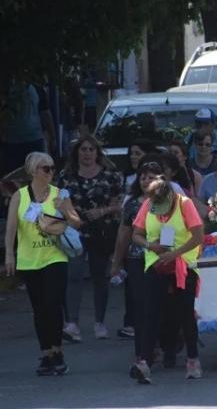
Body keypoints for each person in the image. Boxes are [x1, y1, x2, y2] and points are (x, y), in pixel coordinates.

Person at [4, 152, 81, 375]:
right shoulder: (20, 196)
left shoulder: (59, 194)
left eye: (52, 168)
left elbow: (77, 222)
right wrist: (10, 254)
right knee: (39, 309)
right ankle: (46, 353)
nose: (50, 173)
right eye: (46, 169)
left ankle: (58, 351)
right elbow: (11, 229)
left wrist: (65, 209)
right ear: (33, 171)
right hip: (29, 259)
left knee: (52, 303)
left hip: (54, 256)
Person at [130, 176, 204, 383]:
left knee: (185, 313)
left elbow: (198, 236)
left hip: (183, 265)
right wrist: (150, 245)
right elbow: (136, 234)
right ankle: (144, 362)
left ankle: (192, 359)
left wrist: (175, 253)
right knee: (151, 314)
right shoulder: (148, 204)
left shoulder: (185, 204)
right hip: (156, 265)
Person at [56, 136, 123, 342]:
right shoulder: (65, 176)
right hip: (74, 232)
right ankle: (72, 323)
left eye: (91, 149)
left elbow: (119, 204)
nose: (87, 153)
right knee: (73, 275)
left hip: (101, 231)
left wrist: (102, 211)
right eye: (83, 149)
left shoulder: (111, 176)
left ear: (97, 152)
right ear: (77, 152)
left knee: (99, 276)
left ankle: (100, 322)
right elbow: (57, 202)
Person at [110, 161, 161, 372]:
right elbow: (123, 235)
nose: (146, 181)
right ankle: (142, 354)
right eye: (142, 177)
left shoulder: (169, 202)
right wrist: (116, 262)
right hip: (136, 260)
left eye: (150, 177)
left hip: (161, 260)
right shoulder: (131, 204)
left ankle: (160, 347)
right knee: (140, 308)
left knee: (157, 307)